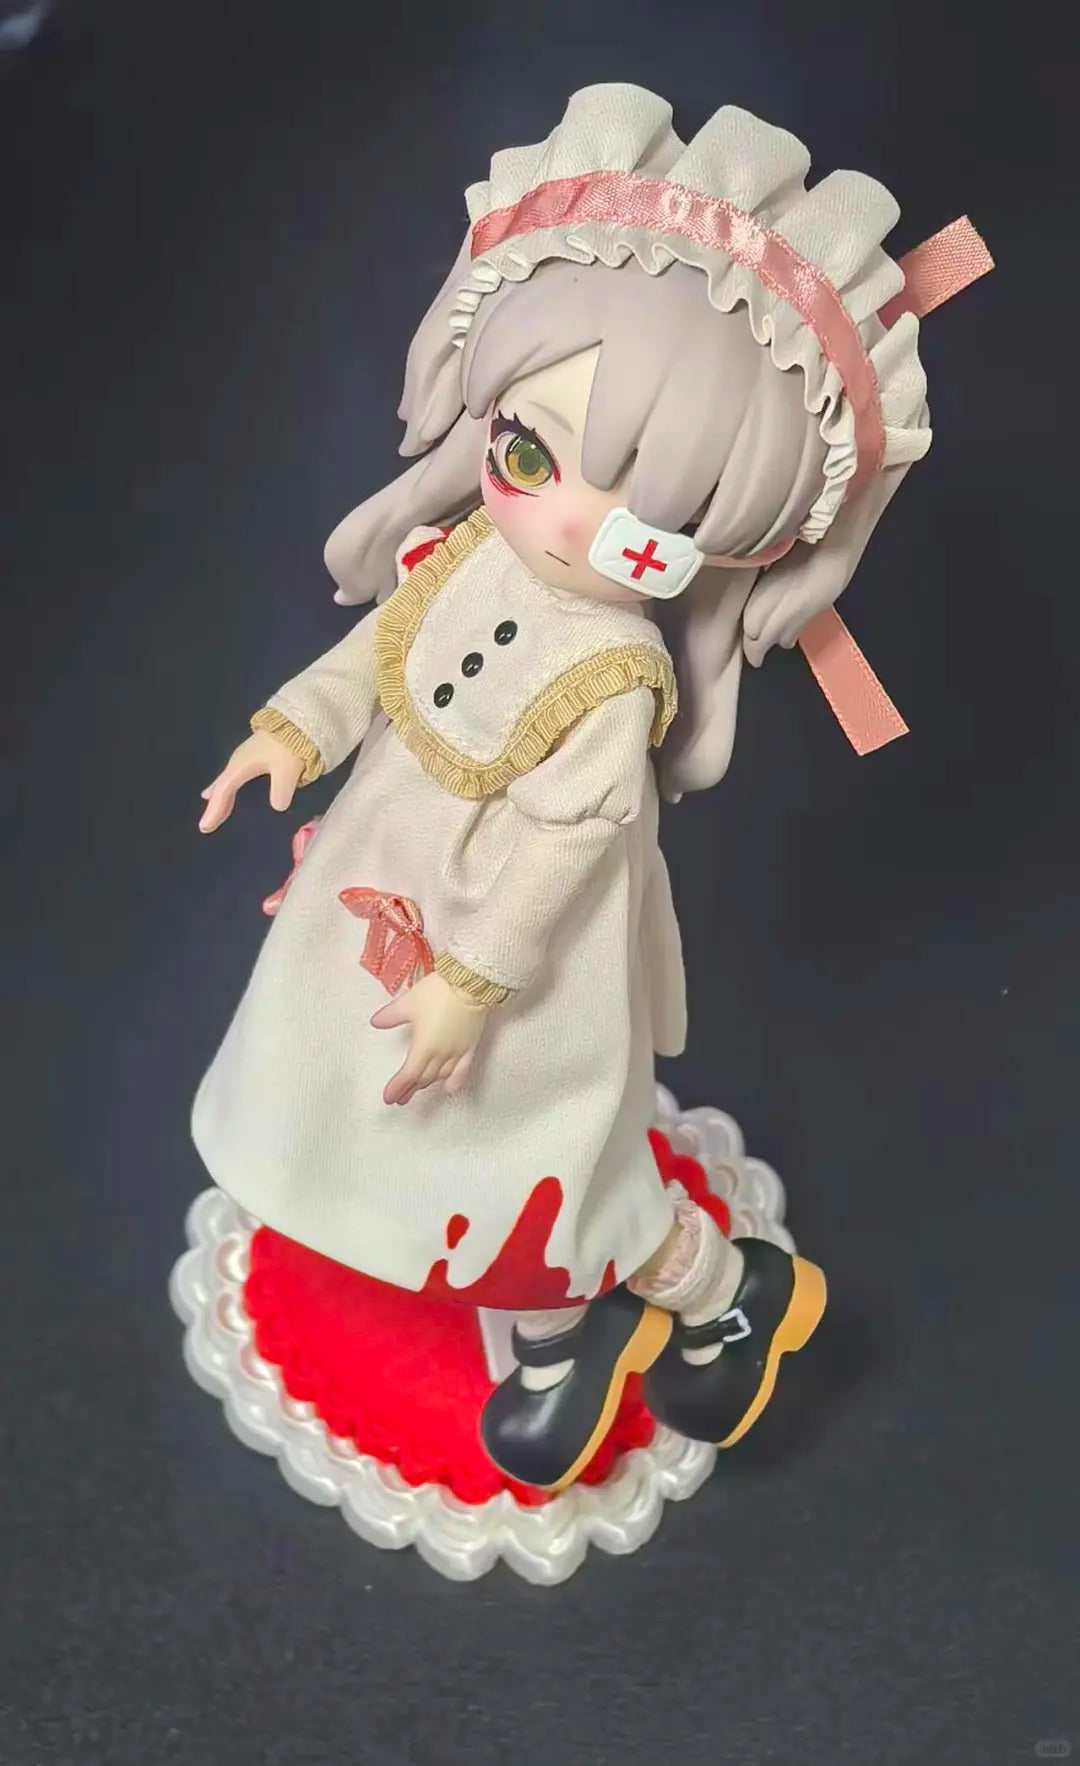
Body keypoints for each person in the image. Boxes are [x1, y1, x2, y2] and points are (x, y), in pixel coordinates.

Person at [192, 84, 938, 1491]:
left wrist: (473, 982)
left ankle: (638, 1313)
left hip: (514, 950)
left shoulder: (612, 673)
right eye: (526, 453)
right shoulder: (472, 552)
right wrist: (294, 729)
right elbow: (384, 650)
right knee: (400, 1112)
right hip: (385, 880)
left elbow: (565, 842)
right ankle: (708, 1296)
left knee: (522, 1155)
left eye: (652, 529)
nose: (561, 521)